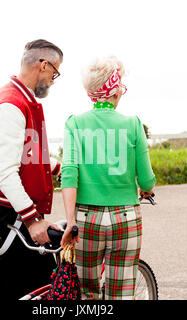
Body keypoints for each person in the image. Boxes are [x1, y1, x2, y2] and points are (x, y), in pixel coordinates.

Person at [60, 56, 156, 300]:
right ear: (115, 90)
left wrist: (71, 220)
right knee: (121, 295)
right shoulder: (133, 124)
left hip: (86, 220)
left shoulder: (75, 124)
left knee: (86, 295)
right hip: (126, 218)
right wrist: (146, 190)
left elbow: (69, 173)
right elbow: (146, 180)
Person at [0, 39, 63, 300]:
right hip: (15, 215)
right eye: (55, 72)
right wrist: (31, 220)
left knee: (37, 289)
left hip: (18, 211)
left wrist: (58, 169)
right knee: (32, 291)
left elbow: (25, 155)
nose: (53, 79)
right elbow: (5, 172)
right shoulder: (11, 104)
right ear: (43, 65)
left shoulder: (20, 99)